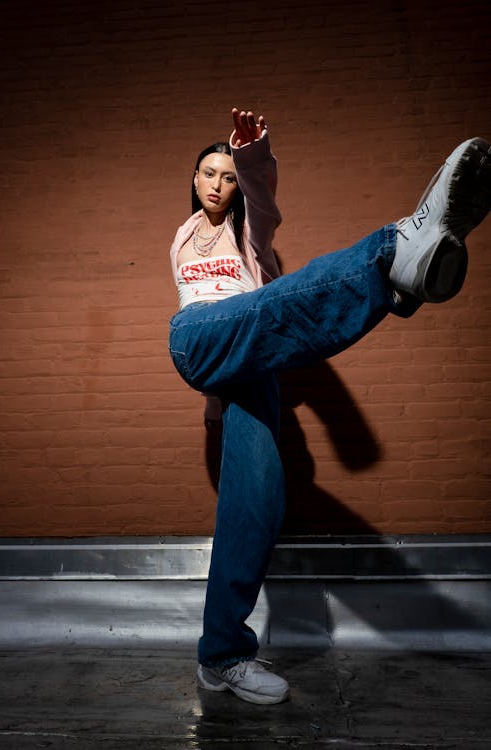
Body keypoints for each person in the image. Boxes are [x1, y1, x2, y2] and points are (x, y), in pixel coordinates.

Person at [169, 108, 490, 705]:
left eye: (228, 176)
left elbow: (263, 204)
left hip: (255, 371)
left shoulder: (249, 233)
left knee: (259, 502)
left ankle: (221, 657)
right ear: (193, 182)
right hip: (202, 340)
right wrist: (214, 406)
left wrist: (254, 157)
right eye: (209, 173)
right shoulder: (183, 239)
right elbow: (229, 314)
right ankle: (395, 253)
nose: (219, 183)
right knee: (265, 309)